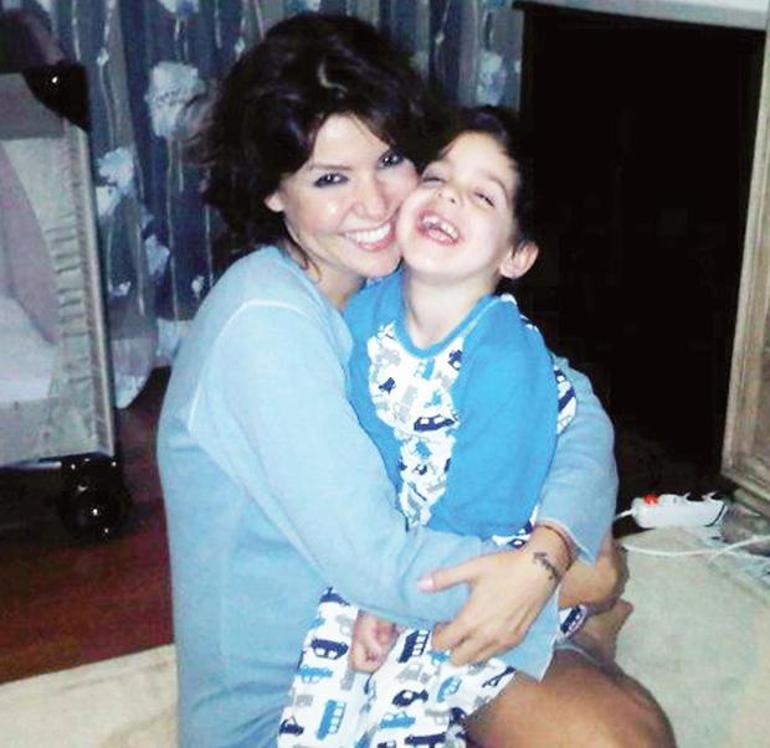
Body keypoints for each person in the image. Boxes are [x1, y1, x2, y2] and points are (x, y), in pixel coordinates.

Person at [157, 13, 673, 747]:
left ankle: (579, 644)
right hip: (296, 707)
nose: (373, 205)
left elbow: (578, 413)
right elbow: (382, 564)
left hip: (419, 639)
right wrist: (570, 575)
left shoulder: (391, 274)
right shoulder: (262, 325)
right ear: (274, 189)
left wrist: (553, 543)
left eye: (391, 159)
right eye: (330, 178)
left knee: (623, 738)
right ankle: (584, 634)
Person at [278, 106, 600, 745]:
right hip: (389, 545)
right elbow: (361, 444)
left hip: (472, 555)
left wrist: (393, 600)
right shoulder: (364, 311)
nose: (449, 196)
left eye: (482, 196)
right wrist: (374, 585)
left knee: (406, 706)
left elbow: (488, 502)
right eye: (435, 177)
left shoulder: (506, 354)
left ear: (516, 255)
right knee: (321, 692)